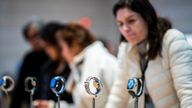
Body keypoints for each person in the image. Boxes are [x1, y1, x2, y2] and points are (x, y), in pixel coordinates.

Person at [105, 0, 192, 108]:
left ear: (147, 18)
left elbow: (188, 92)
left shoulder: (172, 40)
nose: (125, 29)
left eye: (131, 21)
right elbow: (118, 94)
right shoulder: (125, 49)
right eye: (120, 24)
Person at [56, 23, 118, 108]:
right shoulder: (79, 65)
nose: (62, 53)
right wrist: (54, 106)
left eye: (62, 47)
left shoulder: (104, 60)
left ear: (74, 45)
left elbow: (121, 98)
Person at [10, 17, 49, 108]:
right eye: (30, 38)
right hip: (33, 103)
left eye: (36, 35)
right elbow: (20, 86)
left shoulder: (53, 56)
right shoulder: (29, 58)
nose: (34, 41)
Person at [34, 22, 73, 108]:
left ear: (58, 44)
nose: (46, 51)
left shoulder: (73, 68)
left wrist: (53, 105)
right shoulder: (47, 67)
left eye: (48, 46)